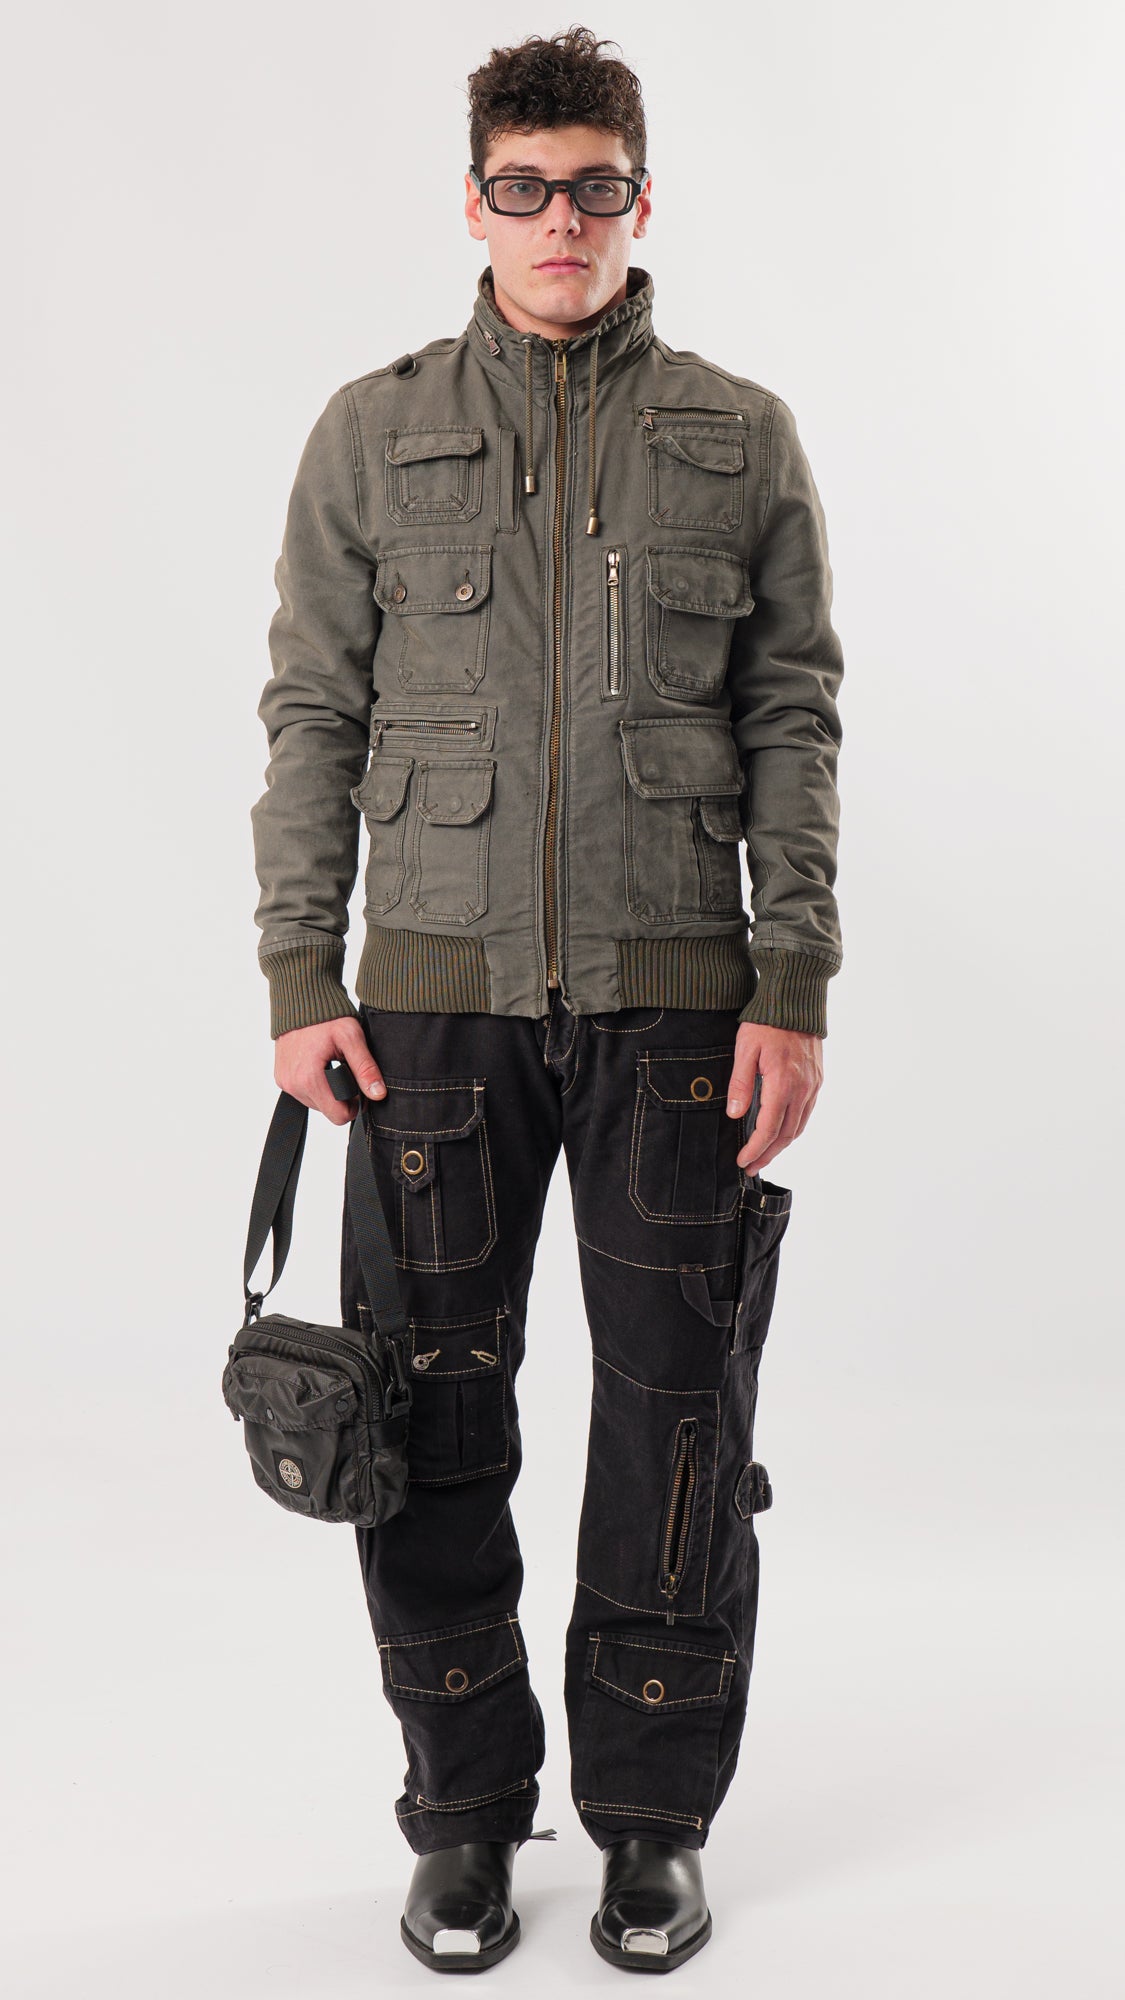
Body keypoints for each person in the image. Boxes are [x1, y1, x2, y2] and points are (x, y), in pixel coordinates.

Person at [250, 24, 844, 1975]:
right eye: (525, 188)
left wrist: (789, 979)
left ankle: (652, 1821)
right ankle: (460, 1819)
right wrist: (296, 970)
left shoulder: (738, 435)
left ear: (640, 199)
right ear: (476, 205)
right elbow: (312, 713)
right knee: (427, 1423)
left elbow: (790, 716)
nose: (561, 219)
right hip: (430, 1015)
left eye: (593, 186)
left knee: (675, 1427)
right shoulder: (372, 431)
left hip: (682, 1013)